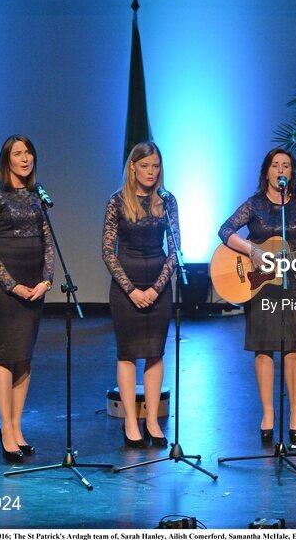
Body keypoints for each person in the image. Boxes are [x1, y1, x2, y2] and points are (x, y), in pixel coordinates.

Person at [218, 148, 296, 445]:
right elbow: (225, 231)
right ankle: (268, 413)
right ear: (267, 172)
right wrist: (253, 251)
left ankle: (295, 413)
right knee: (264, 349)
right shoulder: (255, 204)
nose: (281, 170)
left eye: (286, 165)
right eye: (276, 165)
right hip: (259, 284)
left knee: (293, 349)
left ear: (292, 173)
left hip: (290, 283)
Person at [0, 135, 55, 463]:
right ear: (7, 159)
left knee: (24, 357)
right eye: (18, 153)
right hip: (5, 289)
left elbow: (49, 243)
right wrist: (12, 286)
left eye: (29, 153)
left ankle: (17, 426)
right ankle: (5, 429)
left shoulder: (38, 196)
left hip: (34, 288)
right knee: (5, 355)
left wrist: (46, 280)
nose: (25, 159)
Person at [102, 141, 179, 449]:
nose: (151, 172)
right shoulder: (117, 201)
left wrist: (156, 289)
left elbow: (175, 251)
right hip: (126, 284)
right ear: (132, 167)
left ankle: (152, 422)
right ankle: (131, 422)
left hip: (158, 282)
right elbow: (108, 252)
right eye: (145, 166)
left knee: (155, 352)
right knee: (128, 353)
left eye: (156, 166)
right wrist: (133, 291)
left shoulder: (167, 200)